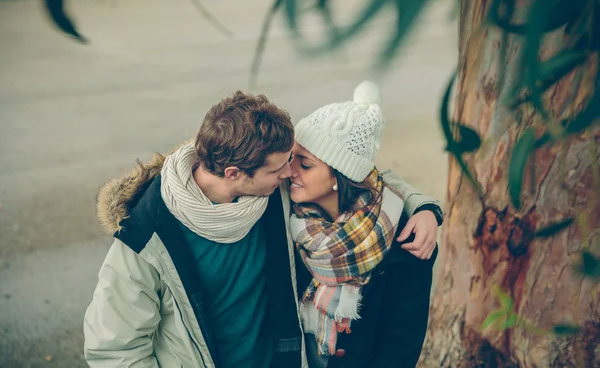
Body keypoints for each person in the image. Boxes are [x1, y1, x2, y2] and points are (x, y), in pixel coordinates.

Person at [83, 89, 442, 368]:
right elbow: (114, 349)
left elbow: (358, 174)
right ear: (234, 174)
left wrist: (423, 207)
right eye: (281, 168)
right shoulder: (147, 238)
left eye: (293, 162)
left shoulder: (273, 188)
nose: (289, 174)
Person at [289, 81, 438, 368]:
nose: (289, 170)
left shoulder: (405, 239)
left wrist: (426, 210)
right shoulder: (290, 217)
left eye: (305, 164)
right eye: (290, 157)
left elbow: (401, 344)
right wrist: (426, 204)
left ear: (339, 177)